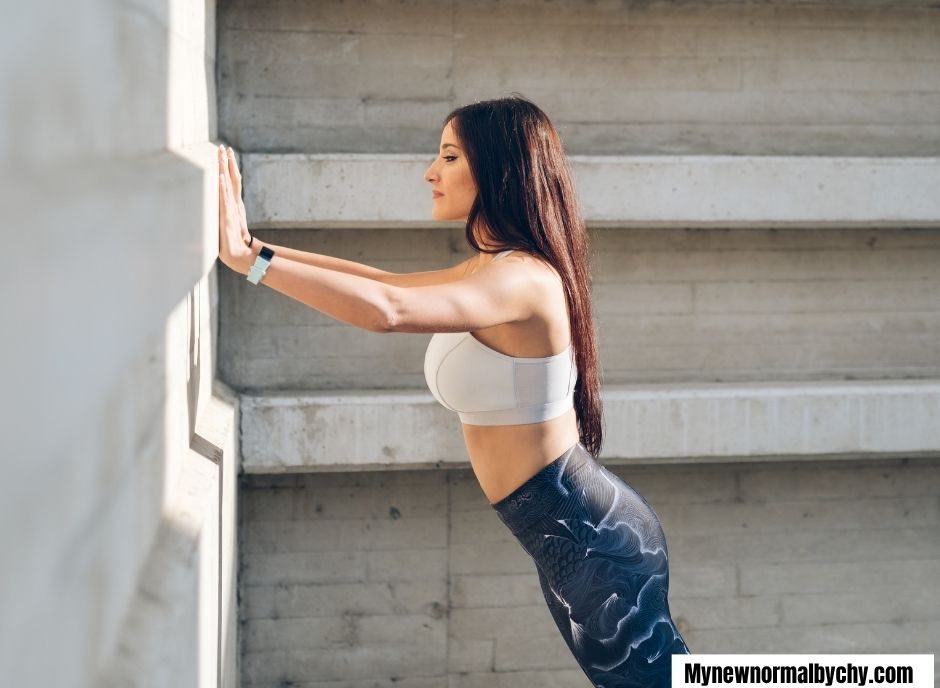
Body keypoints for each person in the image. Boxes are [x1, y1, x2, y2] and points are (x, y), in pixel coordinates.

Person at [218, 94, 691, 686]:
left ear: (498, 170)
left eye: (448, 156)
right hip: (570, 535)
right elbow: (385, 283)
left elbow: (388, 309)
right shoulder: (496, 267)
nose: (430, 173)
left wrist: (249, 262)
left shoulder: (521, 279)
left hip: (592, 540)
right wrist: (252, 250)